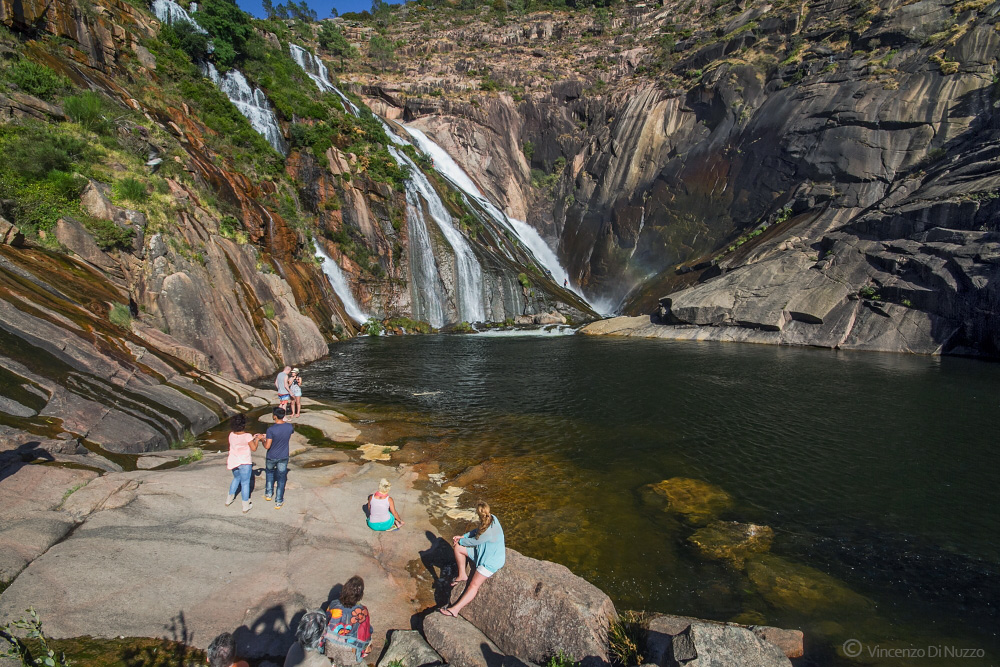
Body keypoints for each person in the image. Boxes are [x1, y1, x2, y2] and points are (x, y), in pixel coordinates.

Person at [440, 501, 505, 617]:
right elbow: (477, 531)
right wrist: (463, 536)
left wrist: (460, 540)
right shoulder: (492, 518)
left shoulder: (488, 533)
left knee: (473, 585)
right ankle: (462, 575)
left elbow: (475, 541)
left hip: (490, 561)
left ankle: (455, 610)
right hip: (482, 552)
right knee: (458, 548)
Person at [323, 576, 372, 665]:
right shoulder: (363, 611)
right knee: (370, 638)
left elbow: (325, 626)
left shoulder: (333, 604)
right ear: (360, 595)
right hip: (350, 654)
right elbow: (365, 635)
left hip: (330, 650)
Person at [225, 413, 263, 514]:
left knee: (236, 479)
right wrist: (257, 439)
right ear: (243, 425)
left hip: (234, 461)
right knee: (245, 483)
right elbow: (254, 448)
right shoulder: (247, 436)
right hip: (244, 462)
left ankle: (229, 499)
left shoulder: (231, 435)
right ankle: (245, 506)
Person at [264, 407, 294, 509]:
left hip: (271, 456)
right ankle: (279, 501)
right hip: (283, 456)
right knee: (281, 478)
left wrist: (262, 439)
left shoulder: (271, 429)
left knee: (269, 473)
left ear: (275, 416)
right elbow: (287, 435)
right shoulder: (289, 427)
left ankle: (268, 494)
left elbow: (267, 446)